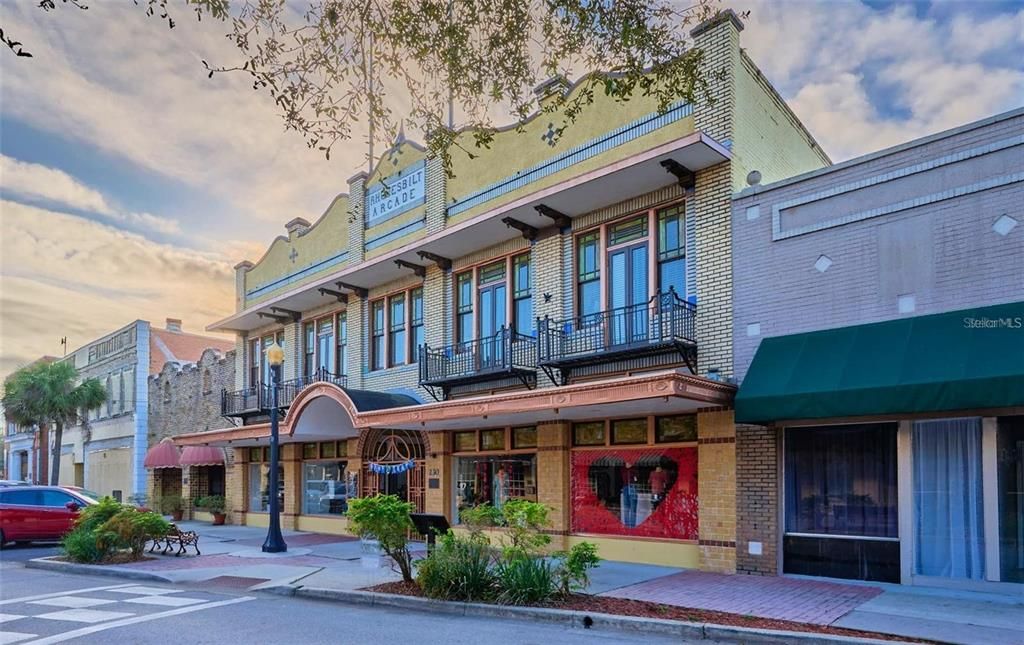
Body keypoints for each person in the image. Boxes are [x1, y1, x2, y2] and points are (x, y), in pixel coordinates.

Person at [621, 461, 638, 528]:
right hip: (625, 487)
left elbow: (636, 479)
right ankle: (627, 526)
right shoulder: (623, 469)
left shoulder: (634, 469)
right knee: (626, 508)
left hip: (632, 487)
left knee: (633, 508)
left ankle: (632, 526)